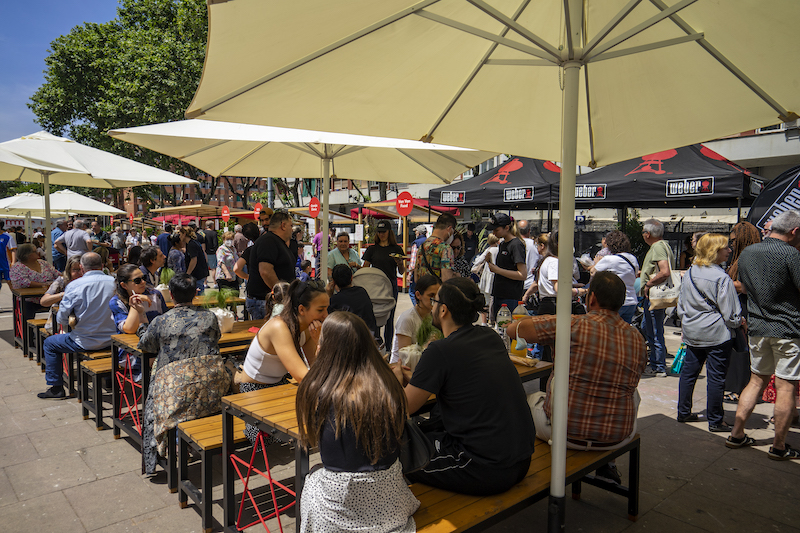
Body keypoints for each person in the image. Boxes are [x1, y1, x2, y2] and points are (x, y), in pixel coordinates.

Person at [397, 277, 535, 495]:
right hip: (520, 459)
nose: (432, 305)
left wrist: (395, 380)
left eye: (435, 301)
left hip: (484, 468)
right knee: (424, 431)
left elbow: (403, 407)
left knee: (392, 450)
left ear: (443, 310)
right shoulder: (490, 336)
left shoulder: (440, 351)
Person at [509, 271, 646, 483]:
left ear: (591, 298)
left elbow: (515, 330)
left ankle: (513, 462)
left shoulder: (571, 324)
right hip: (618, 436)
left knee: (526, 399)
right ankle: (608, 465)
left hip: (563, 432)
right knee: (631, 392)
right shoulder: (637, 338)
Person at [297, 311, 419, 533]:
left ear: (327, 349)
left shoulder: (317, 390)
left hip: (340, 507)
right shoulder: (387, 384)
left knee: (312, 480)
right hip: (389, 502)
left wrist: (317, 355)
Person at [138, 273, 229, 474]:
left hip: (176, 393)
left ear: (171, 295)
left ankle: (174, 444)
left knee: (164, 390)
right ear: (195, 293)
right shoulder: (209, 317)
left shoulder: (162, 321)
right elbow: (216, 337)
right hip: (213, 388)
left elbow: (145, 345)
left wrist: (143, 322)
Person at [727, 210, 800, 460]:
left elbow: (744, 286)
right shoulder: (792, 255)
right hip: (788, 329)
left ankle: (736, 434)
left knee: (755, 381)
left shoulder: (748, 253)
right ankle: (779, 446)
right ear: (794, 231)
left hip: (758, 327)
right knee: (786, 386)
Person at [236, 279, 328, 443]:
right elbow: (303, 377)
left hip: (277, 386)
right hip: (254, 390)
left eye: (327, 309)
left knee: (318, 417)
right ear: (301, 309)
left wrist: (317, 343)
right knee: (286, 432)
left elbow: (315, 369)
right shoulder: (279, 327)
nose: (326, 315)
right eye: (321, 309)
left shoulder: (307, 327)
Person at [676, 234, 742, 432]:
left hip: (693, 331)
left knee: (688, 374)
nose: (729, 251)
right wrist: (739, 322)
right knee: (716, 378)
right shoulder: (722, 277)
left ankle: (683, 411)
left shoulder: (690, 272)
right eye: (725, 248)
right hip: (717, 334)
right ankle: (715, 420)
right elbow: (731, 315)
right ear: (715, 252)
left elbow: (681, 305)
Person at [38, 253, 117, 399]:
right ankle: (109, 379)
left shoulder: (75, 286)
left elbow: (61, 319)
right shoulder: (114, 282)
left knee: (49, 343)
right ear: (102, 265)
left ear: (82, 267)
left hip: (85, 342)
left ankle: (56, 388)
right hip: (113, 340)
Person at [109, 264, 169, 381]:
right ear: (124, 285)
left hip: (157, 345)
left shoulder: (155, 294)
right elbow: (129, 329)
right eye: (137, 280)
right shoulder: (116, 302)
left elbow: (166, 319)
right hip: (131, 351)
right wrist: (135, 304)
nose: (143, 282)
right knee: (159, 360)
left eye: (144, 278)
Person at [724, 221, 762, 402]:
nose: (731, 244)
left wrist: (724, 283)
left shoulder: (750, 257)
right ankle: (736, 386)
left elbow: (749, 286)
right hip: (738, 306)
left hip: (745, 308)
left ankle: (739, 388)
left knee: (741, 349)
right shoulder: (742, 257)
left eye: (733, 241)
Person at [640, 218, 674, 377]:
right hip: (655, 296)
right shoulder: (663, 245)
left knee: (653, 330)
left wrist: (648, 284)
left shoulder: (658, 247)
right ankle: (656, 361)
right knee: (649, 327)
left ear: (647, 234)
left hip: (654, 296)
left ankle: (658, 366)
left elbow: (665, 271)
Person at [362, 219, 405, 347]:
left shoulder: (396, 249)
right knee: (374, 315)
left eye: (384, 231)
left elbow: (402, 272)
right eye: (379, 232)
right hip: (375, 285)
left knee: (390, 317)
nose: (382, 234)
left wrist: (399, 262)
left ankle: (389, 347)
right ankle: (376, 343)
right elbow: (365, 268)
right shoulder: (372, 249)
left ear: (389, 232)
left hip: (391, 284)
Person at [246, 211, 296, 319]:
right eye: (290, 226)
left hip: (269, 301)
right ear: (283, 226)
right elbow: (265, 271)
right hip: (264, 301)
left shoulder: (276, 241)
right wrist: (281, 294)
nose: (292, 229)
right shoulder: (268, 241)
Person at [390, 274, 441, 364]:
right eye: (431, 295)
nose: (435, 300)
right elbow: (405, 356)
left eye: (438, 296)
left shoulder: (435, 316)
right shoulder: (407, 319)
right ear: (418, 295)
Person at [484, 213, 527, 318]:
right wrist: (489, 262)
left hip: (510, 296)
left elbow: (522, 274)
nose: (493, 233)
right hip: (499, 293)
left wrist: (497, 270)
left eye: (496, 230)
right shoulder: (503, 244)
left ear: (506, 228)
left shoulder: (516, 245)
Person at [593, 230, 639, 323]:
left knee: (610, 332)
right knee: (623, 332)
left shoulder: (609, 259)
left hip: (615, 302)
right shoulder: (632, 258)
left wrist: (596, 263)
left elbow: (593, 273)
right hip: (631, 300)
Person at [327, 264, 379, 340]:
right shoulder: (362, 291)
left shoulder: (335, 299)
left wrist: (329, 295)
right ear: (351, 278)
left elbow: (328, 319)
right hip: (371, 336)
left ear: (334, 282)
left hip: (352, 341)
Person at [414, 213, 456, 283]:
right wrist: (457, 276)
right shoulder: (445, 248)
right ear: (449, 229)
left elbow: (416, 278)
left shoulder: (421, 247)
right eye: (453, 232)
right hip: (437, 292)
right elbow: (447, 279)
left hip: (422, 292)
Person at [472, 234, 499, 325]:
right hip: (496, 275)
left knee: (485, 299)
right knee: (494, 299)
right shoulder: (499, 250)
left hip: (487, 276)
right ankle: (494, 321)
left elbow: (479, 260)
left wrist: (473, 267)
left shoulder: (488, 250)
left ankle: (484, 322)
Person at [517, 219, 540, 297]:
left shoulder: (514, 244)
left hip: (516, 282)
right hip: (530, 284)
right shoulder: (535, 245)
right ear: (529, 231)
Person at [408, 224, 428, 305]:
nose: (415, 233)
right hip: (427, 272)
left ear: (419, 233)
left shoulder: (416, 243)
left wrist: (409, 274)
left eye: (416, 232)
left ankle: (418, 309)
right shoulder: (429, 242)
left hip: (418, 272)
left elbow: (413, 261)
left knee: (412, 292)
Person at [185, 225, 209, 294]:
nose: (179, 236)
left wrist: (187, 273)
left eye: (180, 234)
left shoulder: (191, 244)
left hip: (197, 274)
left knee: (199, 295)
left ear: (184, 234)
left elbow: (194, 259)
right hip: (200, 273)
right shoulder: (193, 242)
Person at [0, 221, 16, 301]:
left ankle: (17, 301)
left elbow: (13, 250)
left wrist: (13, 262)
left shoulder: (7, 236)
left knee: (10, 283)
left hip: (6, 264)